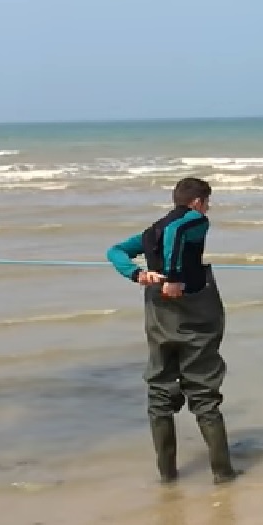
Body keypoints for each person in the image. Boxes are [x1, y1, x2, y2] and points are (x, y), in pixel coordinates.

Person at [106, 177, 237, 484]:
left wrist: (137, 274)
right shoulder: (194, 221)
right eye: (207, 203)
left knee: (159, 392)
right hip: (195, 314)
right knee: (204, 392)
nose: (207, 210)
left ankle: (167, 476)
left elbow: (114, 251)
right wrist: (173, 277)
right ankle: (223, 473)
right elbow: (179, 231)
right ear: (198, 202)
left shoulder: (152, 231)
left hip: (159, 318)